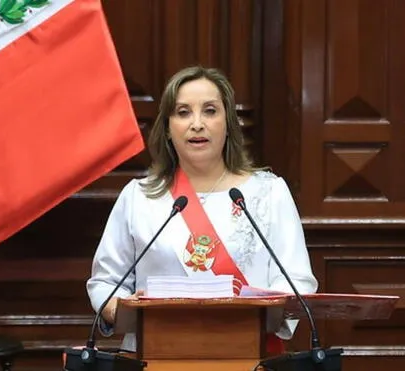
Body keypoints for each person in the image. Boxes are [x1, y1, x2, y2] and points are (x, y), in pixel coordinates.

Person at [86, 65, 318, 353]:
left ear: (228, 123)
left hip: (248, 354)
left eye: (210, 111)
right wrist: (119, 308)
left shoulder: (269, 193)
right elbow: (106, 282)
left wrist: (261, 315)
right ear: (168, 128)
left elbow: (297, 281)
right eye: (183, 112)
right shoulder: (139, 197)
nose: (197, 123)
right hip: (154, 355)